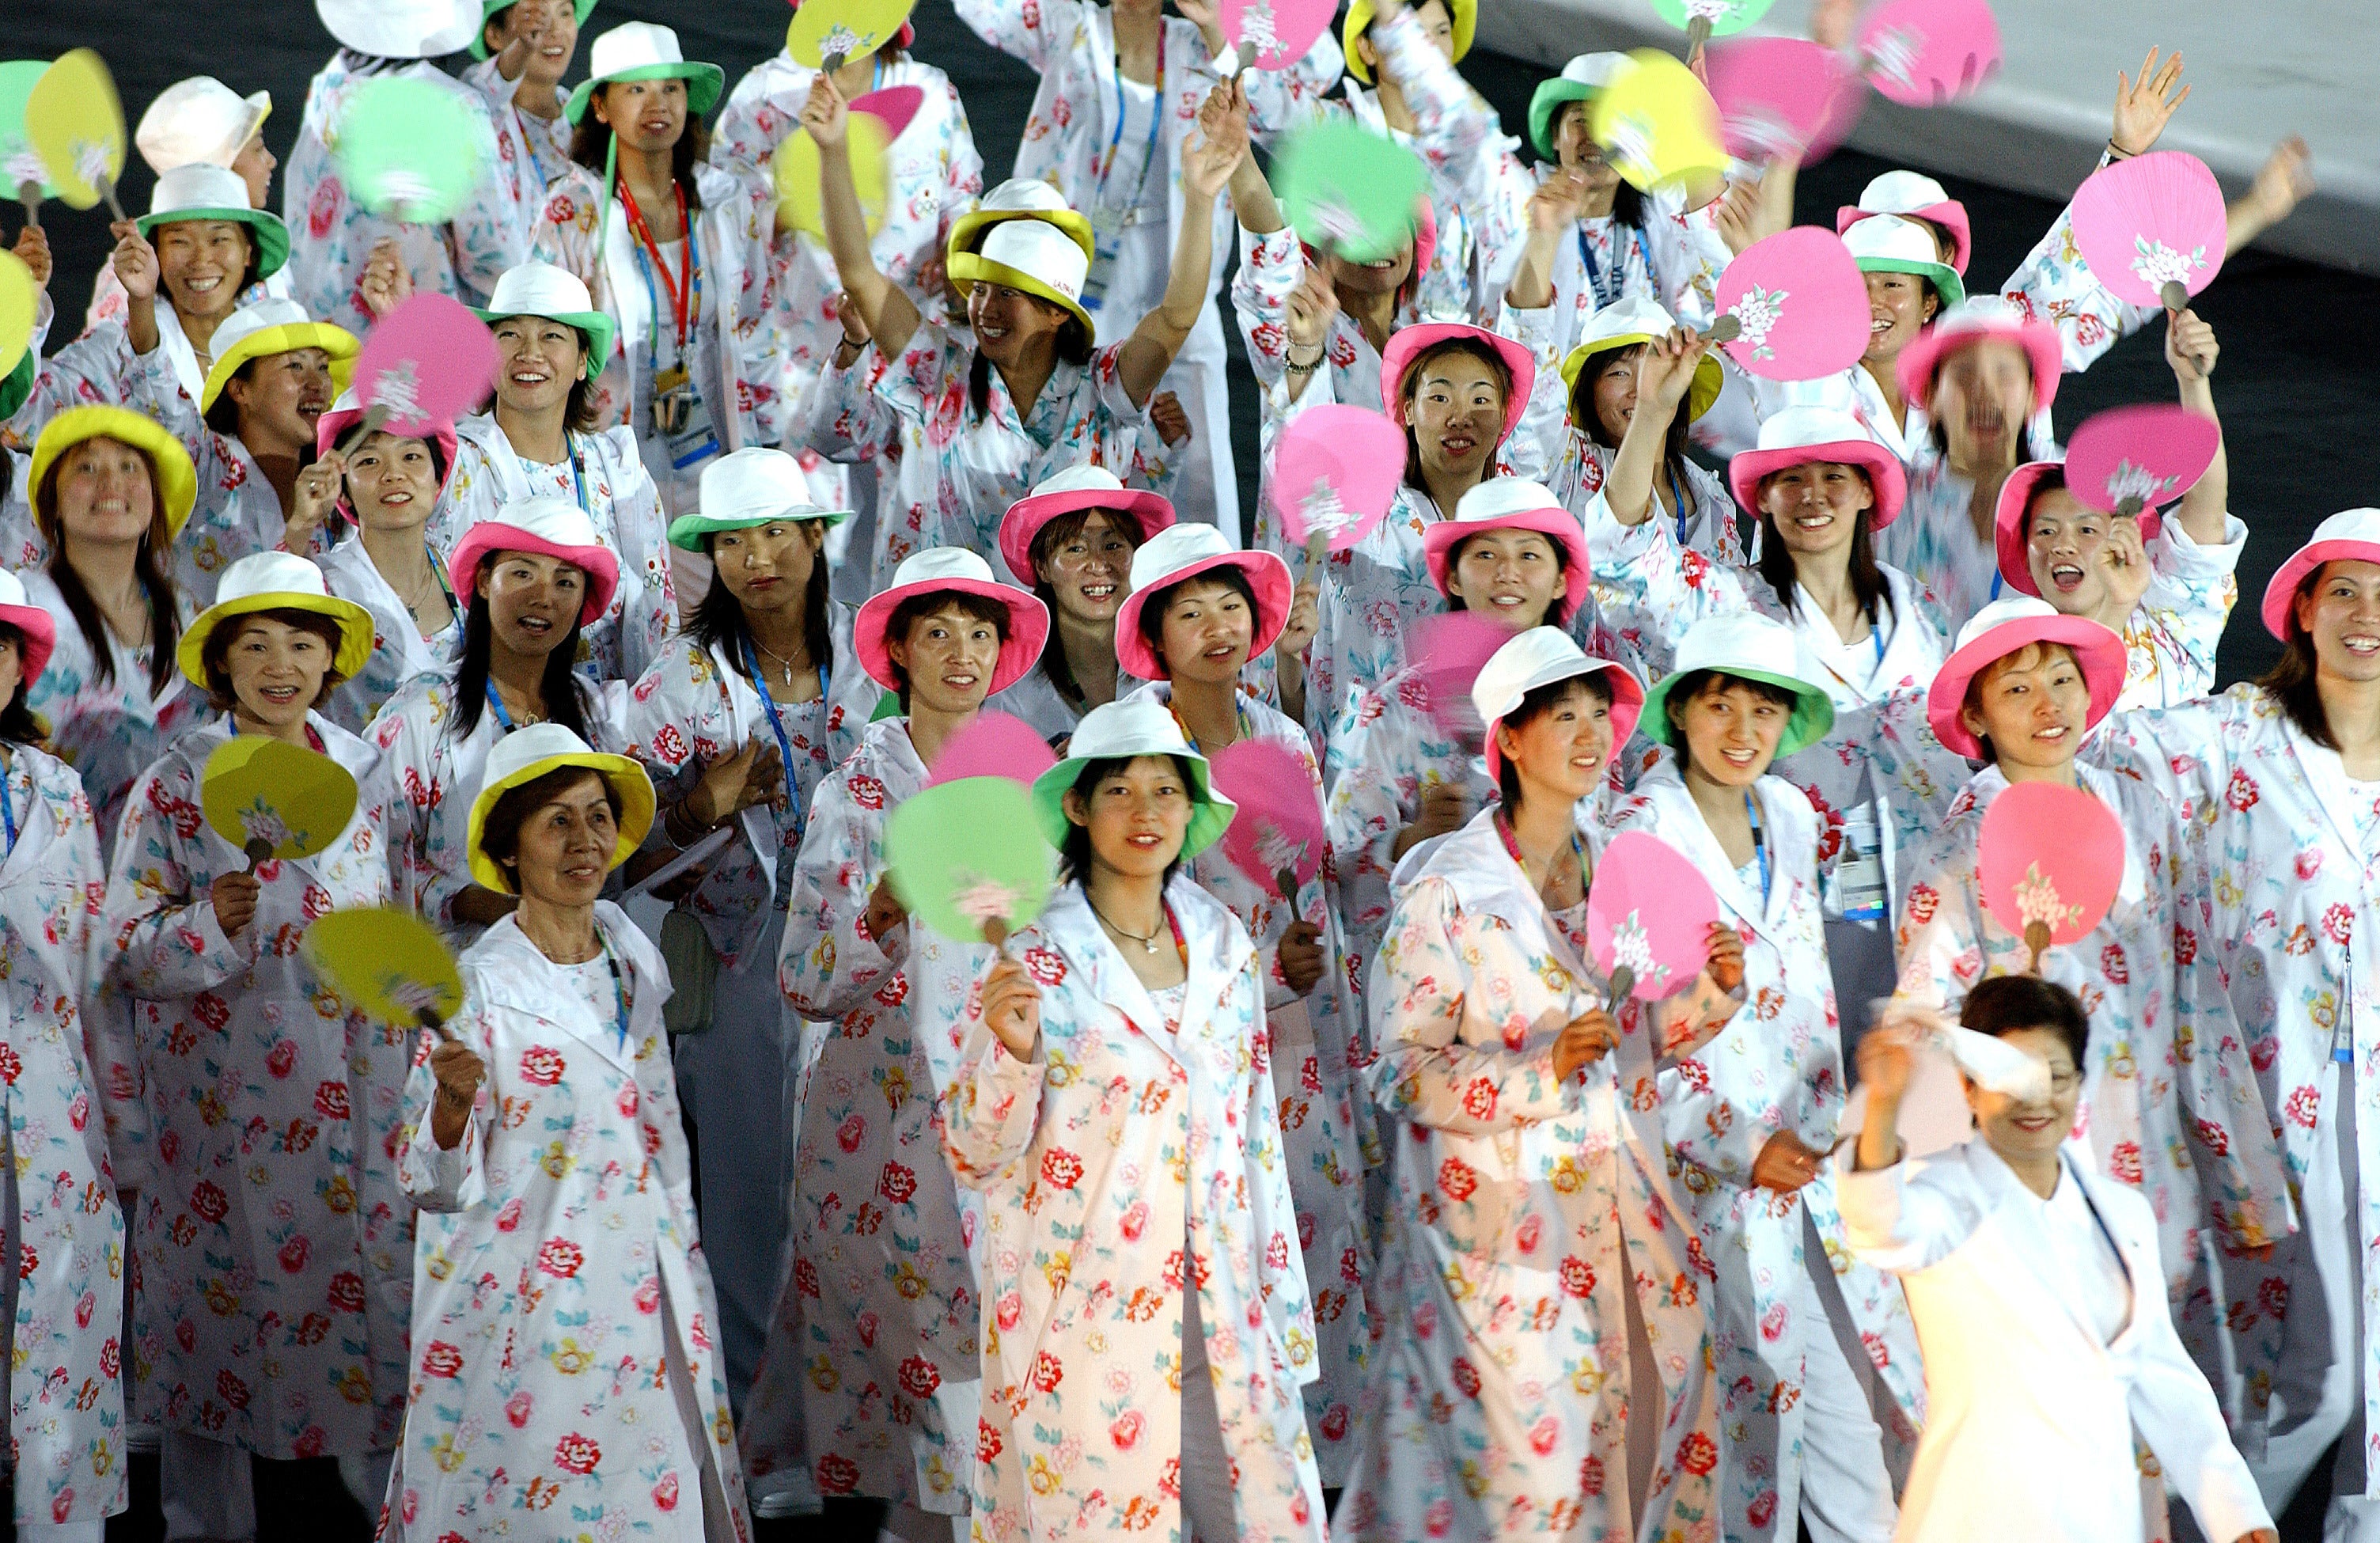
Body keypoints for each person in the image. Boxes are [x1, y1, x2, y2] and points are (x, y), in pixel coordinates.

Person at [1336, 625, 1738, 1540]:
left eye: (1602, 714)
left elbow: (1628, 1049)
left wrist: (1709, 998)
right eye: (1565, 717)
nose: (1593, 734)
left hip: (1627, 1213)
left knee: (1653, 1439)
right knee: (1534, 1483)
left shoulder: (1627, 870)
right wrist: (1535, 1074)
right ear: (1508, 740)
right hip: (1504, 1233)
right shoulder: (1447, 890)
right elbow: (1400, 1070)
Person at [939, 697, 1329, 1541]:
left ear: (1192, 812)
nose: (1146, 812)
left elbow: (1254, 1132)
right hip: (1087, 1302)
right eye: (1121, 791)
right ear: (1077, 806)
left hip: (1222, 1288)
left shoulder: (1224, 944)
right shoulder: (1032, 958)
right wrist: (1010, 1055)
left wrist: (1281, 1308)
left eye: (1166, 790)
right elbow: (974, 1150)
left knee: (1266, 1512)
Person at [101, 551, 405, 1539]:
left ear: (331, 661)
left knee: (362, 1305)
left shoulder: (366, 771)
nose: (282, 665)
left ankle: (384, 1511)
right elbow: (125, 951)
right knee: (214, 1331)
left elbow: (400, 921)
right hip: (218, 1113)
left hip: (354, 1092)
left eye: (303, 645)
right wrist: (209, 926)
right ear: (223, 665)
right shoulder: (175, 786)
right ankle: (202, 1524)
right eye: (258, 646)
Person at [1603, 612, 1923, 1543]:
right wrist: (1742, 1146)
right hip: (1706, 1186)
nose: (1742, 731)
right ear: (1679, 714)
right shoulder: (1637, 835)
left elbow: (1808, 989)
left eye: (1763, 710)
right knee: (1741, 1439)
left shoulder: (1788, 813)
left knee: (1842, 1419)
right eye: (1719, 706)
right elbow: (1632, 1048)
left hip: (1814, 1167)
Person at [392, 722, 752, 1539]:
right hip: (526, 1300)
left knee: (643, 1493)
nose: (583, 841)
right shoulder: (475, 988)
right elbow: (427, 1183)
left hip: (642, 1287)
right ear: (510, 849)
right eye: (556, 821)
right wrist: (449, 1112)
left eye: (596, 818)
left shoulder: (630, 955)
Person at [750, 548, 1048, 1531]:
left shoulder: (1033, 790)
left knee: (994, 1350)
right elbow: (802, 979)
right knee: (873, 1355)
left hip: (998, 1117)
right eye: (937, 634)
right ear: (898, 655)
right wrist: (879, 918)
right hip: (868, 1119)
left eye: (978, 633)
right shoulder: (854, 796)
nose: (960, 654)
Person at [2097, 508, 2380, 1536]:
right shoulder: (2236, 733)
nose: (2365, 616)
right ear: (2302, 607)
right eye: (2343, 589)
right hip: (2261, 1106)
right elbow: (2109, 760)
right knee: (2311, 1373)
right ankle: (2208, 1514)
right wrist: (2124, 624)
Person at [1889, 595, 2283, 1331]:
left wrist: (2243, 1176)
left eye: (2062, 679)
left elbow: (2198, 998)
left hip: (2157, 1160)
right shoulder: (1956, 858)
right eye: (2016, 688)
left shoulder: (2143, 814)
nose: (2048, 704)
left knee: (2169, 1380)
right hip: (2034, 1163)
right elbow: (1927, 1034)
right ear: (1976, 718)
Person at [1114, 522, 1374, 1481]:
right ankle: (1212, 1465)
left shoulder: (1285, 738)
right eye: (1188, 611)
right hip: (1188, 1041)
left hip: (1298, 1028)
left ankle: (1322, 1461)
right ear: (1152, 633)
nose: (1215, 626)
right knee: (1208, 1242)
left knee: (1312, 1220)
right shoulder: (1137, 753)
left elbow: (1309, 880)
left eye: (1228, 604)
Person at [1843, 980, 2280, 1543]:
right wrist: (1883, 1104)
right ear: (1969, 1089)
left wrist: (2238, 1518)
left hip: (2102, 1519)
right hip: (1981, 1519)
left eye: (2054, 1077)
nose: (2035, 1099)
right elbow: (1878, 1223)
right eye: (2010, 1077)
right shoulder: (1945, 1196)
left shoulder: (2122, 1214)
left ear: (2078, 1083)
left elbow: (2167, 1383)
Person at [619, 446, 869, 1420]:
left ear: (815, 536)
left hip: (868, 948)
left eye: (776, 532)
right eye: (732, 541)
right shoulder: (677, 681)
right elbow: (623, 859)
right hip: (740, 953)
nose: (757, 557)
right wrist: (700, 808)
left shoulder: (875, 661)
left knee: (862, 1178)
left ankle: (856, 1430)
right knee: (743, 1194)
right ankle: (747, 1432)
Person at [1592, 384, 1949, 1031]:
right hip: (1789, 903)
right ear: (1761, 500)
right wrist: (1651, 412)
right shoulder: (1734, 607)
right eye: (1791, 480)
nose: (1813, 496)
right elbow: (1622, 560)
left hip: (1924, 896)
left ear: (1868, 490)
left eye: (1834, 477)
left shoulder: (1922, 612)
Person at [797, 70, 1232, 588]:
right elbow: (860, 274)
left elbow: (1178, 315)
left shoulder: (1105, 384)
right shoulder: (938, 369)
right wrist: (831, 150)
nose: (986, 307)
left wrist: (1201, 200)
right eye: (979, 289)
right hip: (945, 642)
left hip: (1071, 647)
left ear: (1057, 312)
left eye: (1008, 292)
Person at [953, 0, 1331, 537]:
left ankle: (1204, 581)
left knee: (1199, 452)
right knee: (1084, 438)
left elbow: (1306, 89)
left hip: (1181, 267)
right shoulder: (1069, 27)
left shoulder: (1203, 44)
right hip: (1076, 285)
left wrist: (1214, 22)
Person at [711, 6, 983, 582]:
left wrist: (958, 276)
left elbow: (964, 199)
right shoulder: (765, 97)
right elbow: (722, 212)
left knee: (917, 523)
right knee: (807, 539)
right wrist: (779, 201)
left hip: (915, 348)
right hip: (804, 355)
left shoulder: (931, 93)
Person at [1324, 476, 1605, 995]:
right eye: (1485, 556)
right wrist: (1408, 840)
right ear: (1452, 577)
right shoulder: (1396, 709)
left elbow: (1611, 841)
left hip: (1568, 991)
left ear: (1562, 580)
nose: (1507, 574)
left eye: (1529, 556)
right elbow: (1338, 863)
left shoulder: (1594, 701)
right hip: (1443, 992)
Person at [530, 21, 792, 521]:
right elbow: (539, 336)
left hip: (716, 443)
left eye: (671, 88)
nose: (659, 103)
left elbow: (757, 325)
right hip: (604, 448)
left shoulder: (726, 202)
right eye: (637, 90)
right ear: (601, 108)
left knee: (711, 587)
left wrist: (768, 441)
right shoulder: (571, 210)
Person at [0, 569, 129, 1541]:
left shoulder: (56, 788)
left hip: (46, 1082)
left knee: (54, 1302)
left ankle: (59, 1521)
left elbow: (92, 951)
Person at [366, 495, 625, 941]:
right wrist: (473, 901)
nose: (543, 597)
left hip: (571, 978)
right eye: (523, 573)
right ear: (485, 581)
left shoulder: (597, 714)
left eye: (566, 582)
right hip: (458, 986)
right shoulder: (422, 714)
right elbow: (368, 860)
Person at [1290, 317, 1542, 739]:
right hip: (1364, 773)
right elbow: (1300, 462)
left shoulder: (1526, 523)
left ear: (1503, 418)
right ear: (1407, 411)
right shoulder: (1360, 509)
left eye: (1481, 400)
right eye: (1440, 397)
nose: (1460, 417)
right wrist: (1303, 356)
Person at [433, 260, 673, 685]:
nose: (530, 353)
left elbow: (659, 609)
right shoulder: (454, 468)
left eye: (551, 335)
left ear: (583, 362)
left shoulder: (619, 471)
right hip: (490, 715)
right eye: (509, 334)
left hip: (607, 719)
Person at [1991, 307, 2242, 709]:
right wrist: (2116, 607)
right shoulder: (2006, 658)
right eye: (2045, 531)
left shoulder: (2170, 632)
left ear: (2124, 540)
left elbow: (2207, 504)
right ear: (2025, 552)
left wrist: (2192, 382)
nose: (2062, 546)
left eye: (2086, 530)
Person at [6, 163, 294, 471]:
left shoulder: (280, 338)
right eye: (179, 241)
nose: (201, 260)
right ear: (153, 252)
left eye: (219, 239)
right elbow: (23, 415)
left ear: (249, 252)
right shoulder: (117, 347)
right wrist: (22, 305)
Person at [17, 408, 205, 849]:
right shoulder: (21, 608)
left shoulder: (189, 616)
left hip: (169, 877)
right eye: (87, 467)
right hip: (49, 871)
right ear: (54, 502)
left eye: (129, 467)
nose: (111, 484)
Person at [285, 0, 522, 336]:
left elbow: (298, 204)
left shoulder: (327, 88)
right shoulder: (454, 108)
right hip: (414, 346)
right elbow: (495, 258)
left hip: (318, 340)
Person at [127, 295, 359, 605]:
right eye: (295, 365)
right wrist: (141, 300)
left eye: (323, 367)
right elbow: (156, 382)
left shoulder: (336, 487)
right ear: (240, 389)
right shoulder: (203, 462)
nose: (318, 384)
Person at [1506, 53, 1732, 355]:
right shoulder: (1517, 200)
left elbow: (1718, 304)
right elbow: (1516, 343)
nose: (1598, 136)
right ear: (1555, 135)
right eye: (1582, 120)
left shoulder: (1659, 213)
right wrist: (1544, 234)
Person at [1534, 294, 1743, 564]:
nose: (1641, 390)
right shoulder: (1565, 465)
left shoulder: (1713, 496)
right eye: (1619, 373)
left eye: (1656, 372)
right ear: (1589, 391)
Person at [305, 392, 464, 730]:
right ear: (343, 491)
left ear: (438, 478)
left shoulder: (463, 573)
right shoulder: (322, 585)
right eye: (369, 462)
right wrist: (301, 525)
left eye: (411, 456)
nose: (394, 474)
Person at [83, 77, 286, 332]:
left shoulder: (259, 252)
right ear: (219, 170)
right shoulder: (130, 279)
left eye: (218, 240)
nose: (271, 161)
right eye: (258, 148)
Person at [991, 463, 1174, 742]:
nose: (1099, 566)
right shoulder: (1010, 686)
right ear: (1042, 567)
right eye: (1076, 549)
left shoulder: (1171, 660)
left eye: (1113, 546)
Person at [463, 0, 596, 222]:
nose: (554, 31)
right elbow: (484, 91)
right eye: (534, 17)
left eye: (564, 13)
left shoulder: (588, 117)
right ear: (494, 35)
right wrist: (522, 49)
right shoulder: (479, 108)